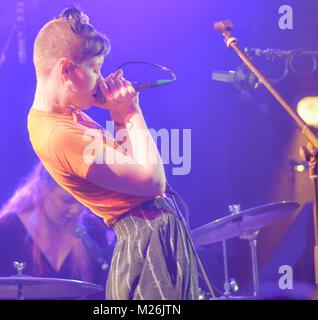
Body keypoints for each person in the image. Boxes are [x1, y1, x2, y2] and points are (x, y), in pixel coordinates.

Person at [27, 6, 199, 299]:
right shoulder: (60, 135)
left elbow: (132, 164)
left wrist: (120, 116)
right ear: (66, 70)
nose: (100, 78)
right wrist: (131, 112)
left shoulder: (67, 115)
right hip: (146, 244)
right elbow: (152, 182)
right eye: (94, 69)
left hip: (153, 238)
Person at [0, 163, 111, 299]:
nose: (76, 210)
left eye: (83, 201)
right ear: (43, 189)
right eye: (67, 200)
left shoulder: (92, 231)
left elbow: (103, 292)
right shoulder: (2, 232)